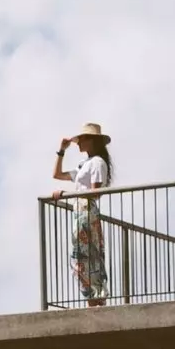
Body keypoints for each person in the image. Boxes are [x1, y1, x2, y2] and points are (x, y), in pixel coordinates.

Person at [52, 122, 113, 307]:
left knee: (87, 257)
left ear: (91, 141)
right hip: (79, 211)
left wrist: (66, 194)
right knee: (81, 257)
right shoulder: (84, 164)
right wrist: (61, 151)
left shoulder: (97, 163)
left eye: (82, 139)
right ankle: (93, 301)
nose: (78, 143)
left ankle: (96, 302)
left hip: (86, 210)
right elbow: (57, 174)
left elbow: (95, 193)